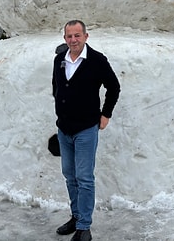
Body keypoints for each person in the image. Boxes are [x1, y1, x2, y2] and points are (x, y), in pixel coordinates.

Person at [52, 20, 121, 241]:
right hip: (64, 129)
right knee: (69, 176)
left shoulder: (97, 61)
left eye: (77, 36)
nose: (73, 40)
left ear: (86, 36)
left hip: (86, 129)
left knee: (84, 178)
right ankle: (75, 216)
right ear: (65, 38)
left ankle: (84, 227)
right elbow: (57, 86)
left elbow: (114, 87)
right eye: (69, 36)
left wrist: (105, 114)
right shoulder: (59, 60)